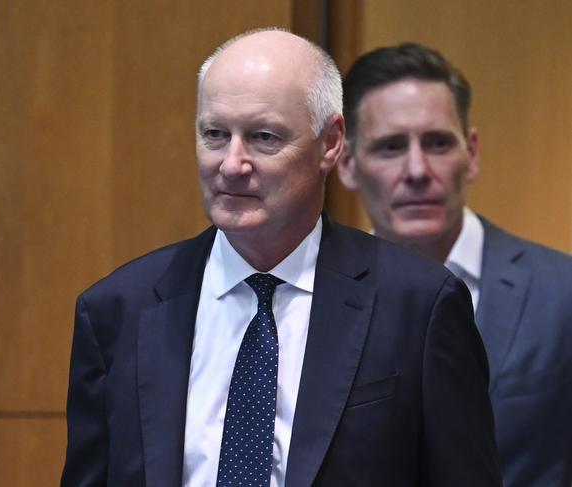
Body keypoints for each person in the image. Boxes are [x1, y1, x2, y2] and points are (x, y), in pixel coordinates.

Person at [61, 29, 502, 486]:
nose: (231, 164)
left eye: (263, 137)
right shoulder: (118, 311)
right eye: (214, 134)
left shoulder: (419, 306)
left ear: (331, 143)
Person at [338, 42, 572, 487]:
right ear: (348, 164)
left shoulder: (563, 296)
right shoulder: (313, 303)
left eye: (438, 142)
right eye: (390, 147)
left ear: (473, 152)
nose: (418, 169)